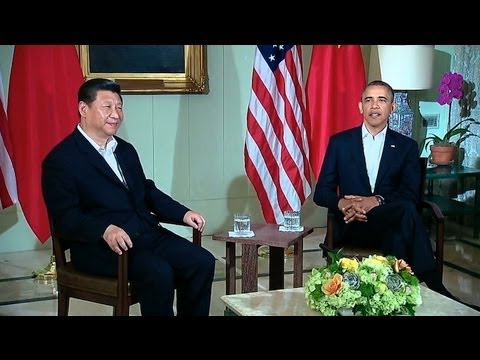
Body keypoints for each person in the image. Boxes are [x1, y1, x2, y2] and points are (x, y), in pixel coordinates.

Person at [42, 78, 216, 316]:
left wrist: (183, 213)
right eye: (107, 107)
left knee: (201, 261)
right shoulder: (61, 160)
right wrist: (104, 229)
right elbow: (65, 217)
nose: (116, 114)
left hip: (145, 234)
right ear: (84, 109)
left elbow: (147, 192)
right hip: (100, 247)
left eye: (120, 107)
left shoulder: (125, 150)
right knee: (159, 272)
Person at [313, 79, 455, 299]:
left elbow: (410, 193)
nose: (375, 106)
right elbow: (322, 192)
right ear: (360, 106)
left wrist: (375, 200)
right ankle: (434, 284)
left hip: (389, 224)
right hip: (353, 225)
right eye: (368, 100)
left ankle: (390, 295)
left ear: (392, 107)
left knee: (404, 216)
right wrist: (346, 203)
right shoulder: (340, 143)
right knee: (406, 214)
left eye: (382, 100)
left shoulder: (406, 146)